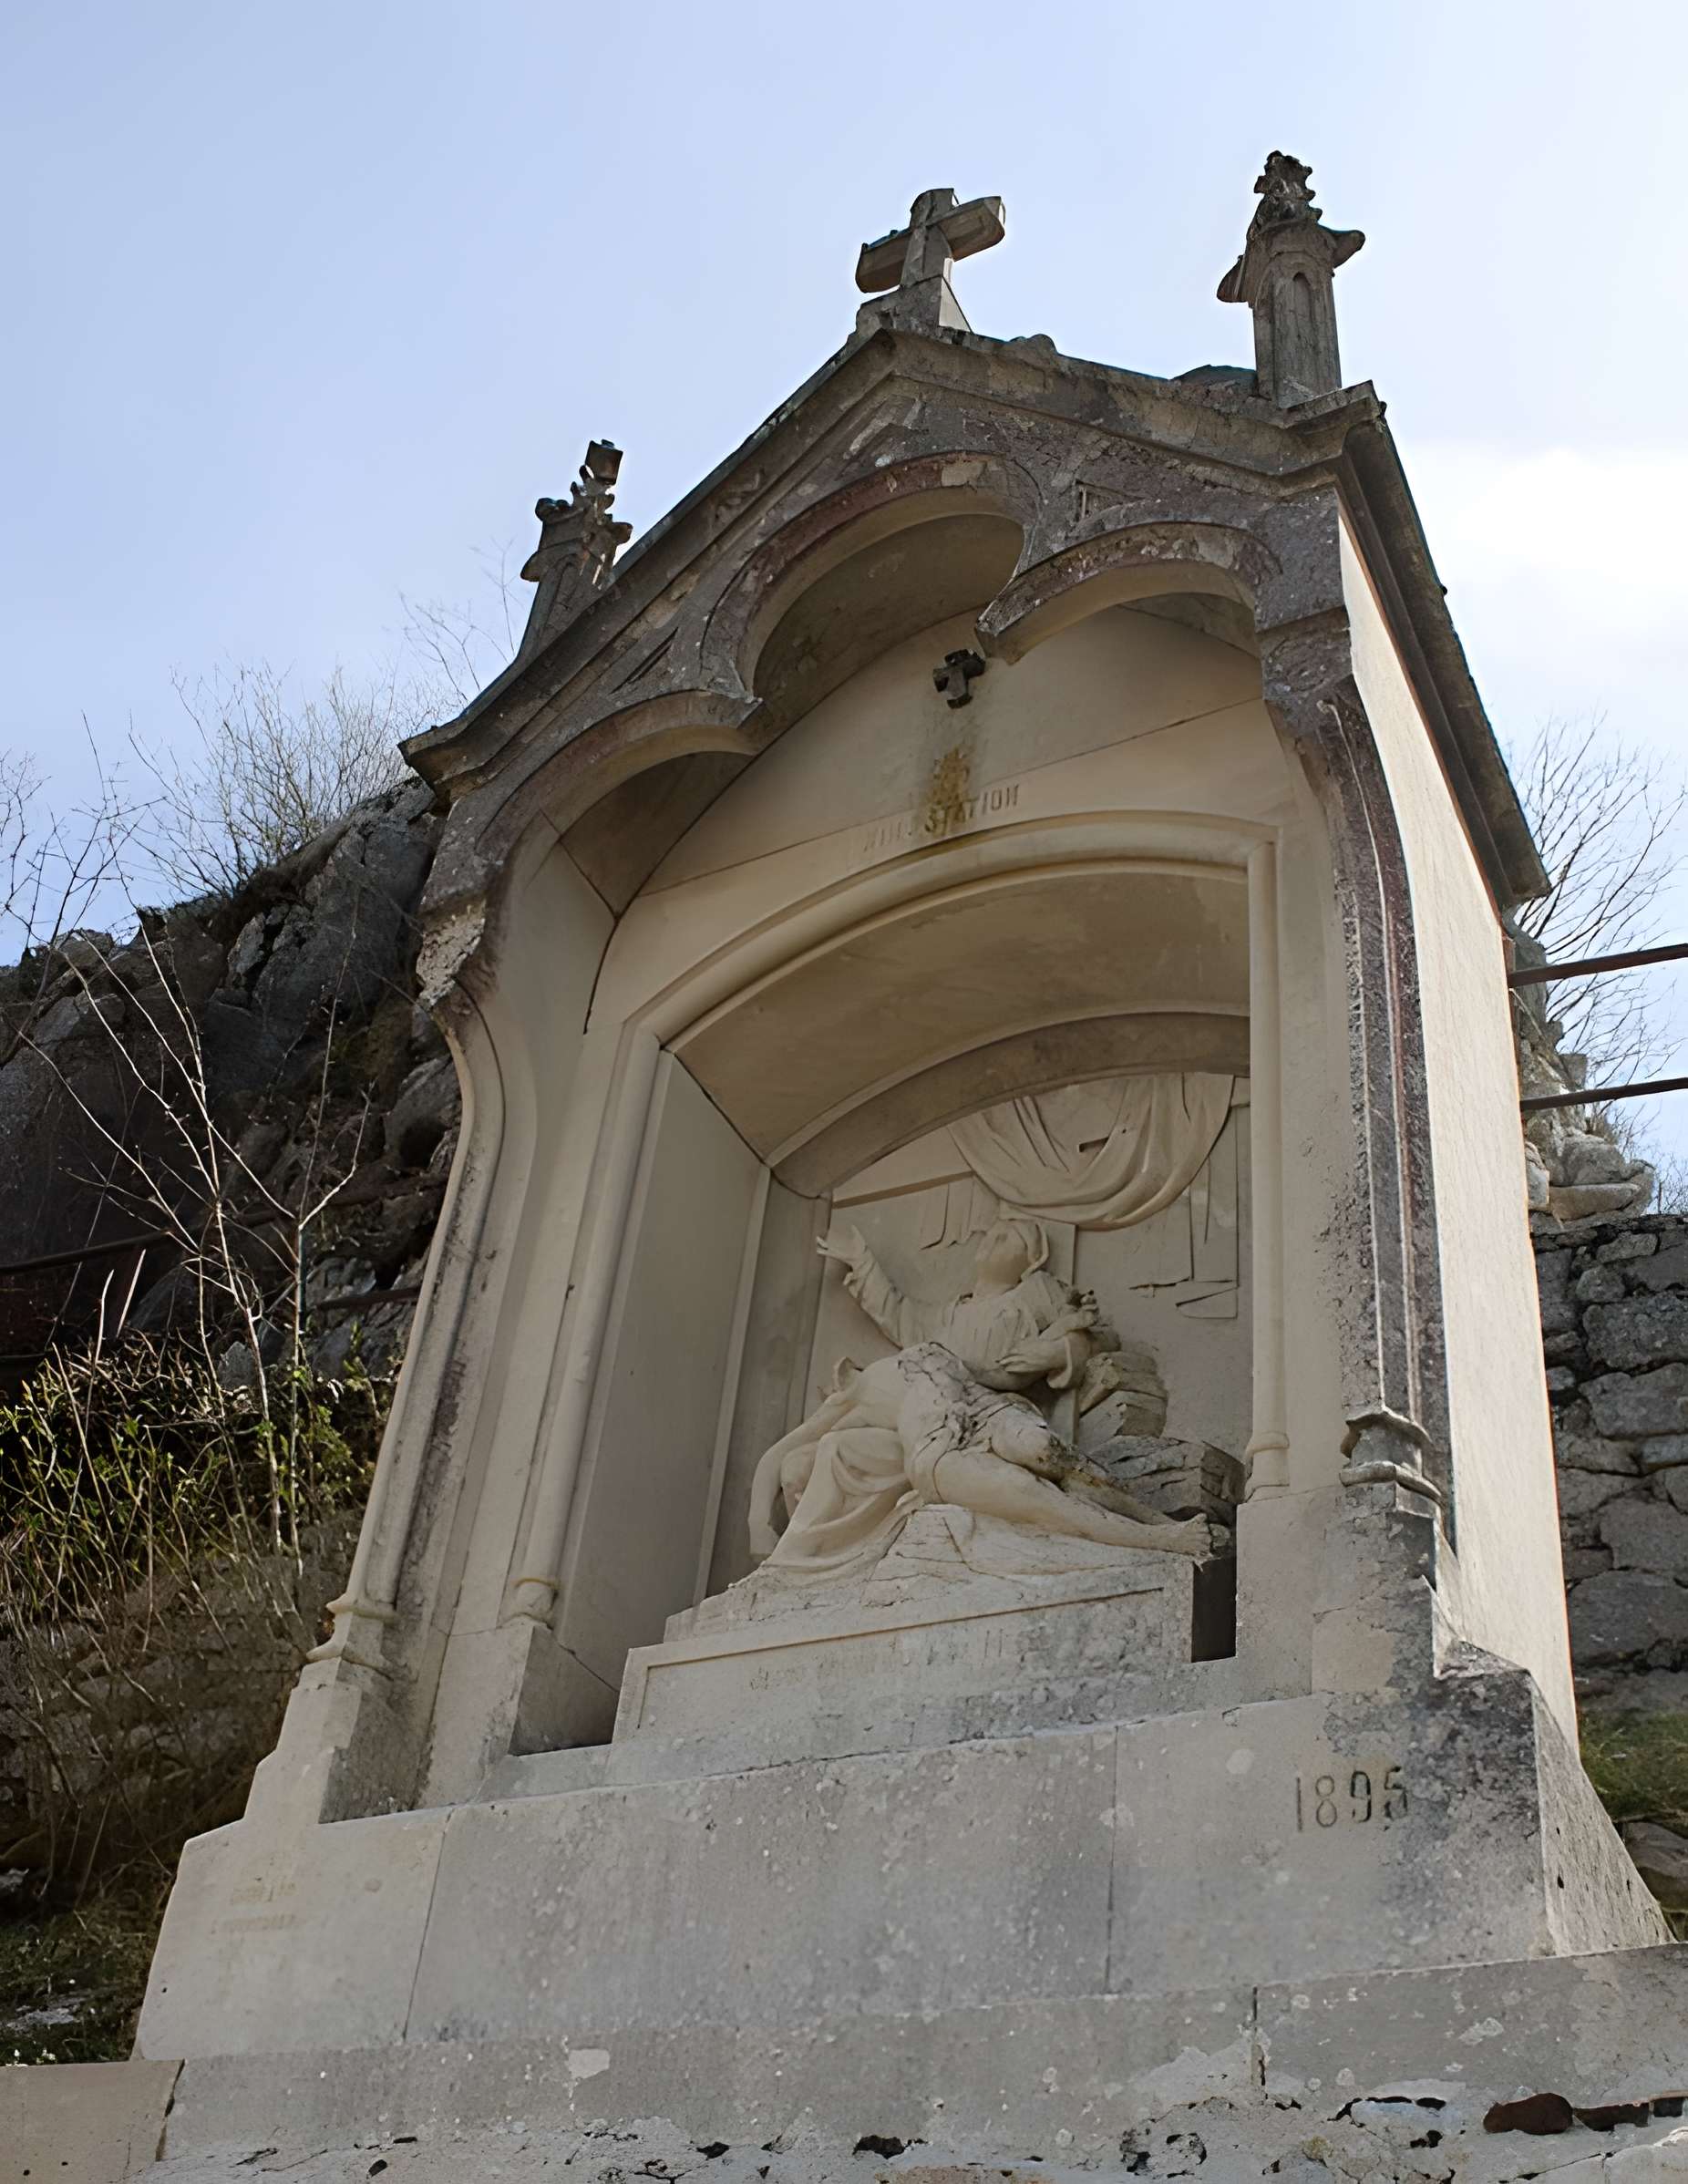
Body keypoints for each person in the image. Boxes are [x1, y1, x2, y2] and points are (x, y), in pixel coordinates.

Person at [746, 1217, 1209, 1574]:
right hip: (937, 1438)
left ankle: (1156, 1525)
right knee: (1019, 1486)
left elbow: (1092, 1338)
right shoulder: (947, 1320)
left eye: (1010, 1237)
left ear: (1030, 1260)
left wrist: (1054, 1350)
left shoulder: (1035, 1294)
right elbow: (899, 1314)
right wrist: (863, 1261)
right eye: (994, 1231)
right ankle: (1153, 1539)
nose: (993, 1237)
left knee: (1044, 1452)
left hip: (991, 1408)